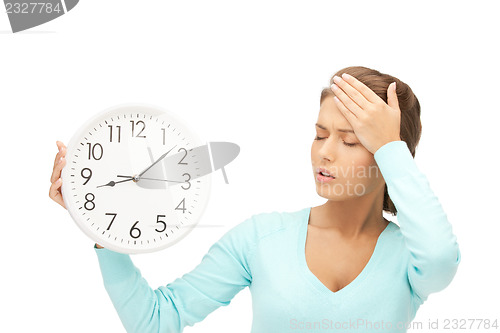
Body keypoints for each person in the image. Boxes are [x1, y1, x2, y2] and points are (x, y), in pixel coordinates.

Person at [49, 66, 461, 333]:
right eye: (319, 134)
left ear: (392, 156)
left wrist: (391, 149)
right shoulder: (261, 239)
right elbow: (155, 320)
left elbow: (443, 258)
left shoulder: (412, 257)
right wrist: (98, 223)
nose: (324, 152)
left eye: (350, 140)